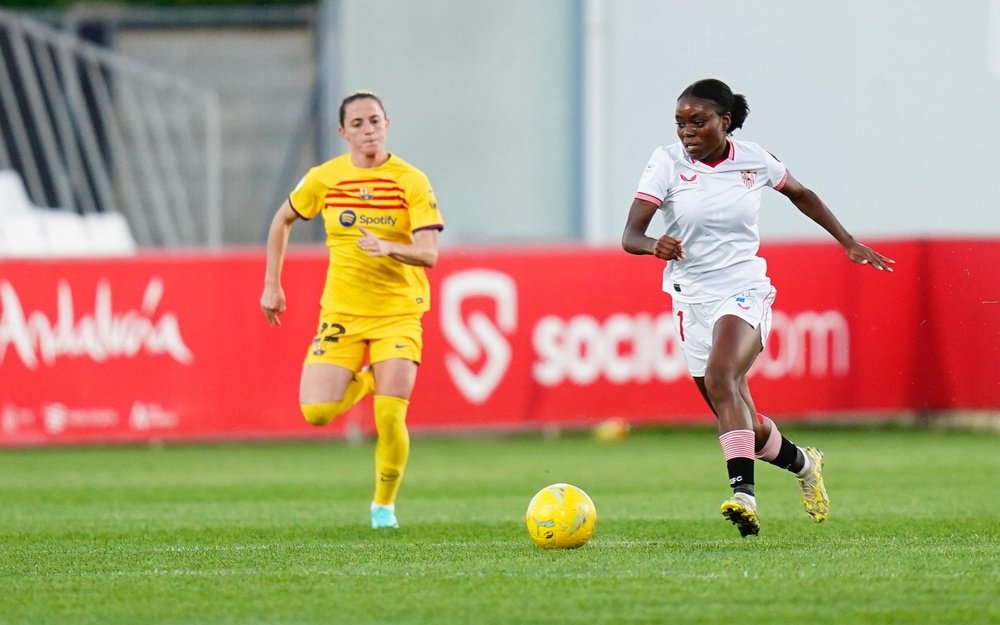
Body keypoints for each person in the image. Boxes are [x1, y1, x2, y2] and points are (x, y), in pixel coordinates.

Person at [621, 78, 894, 537]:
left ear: (724, 123)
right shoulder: (665, 163)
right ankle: (805, 464)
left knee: (721, 376)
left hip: (744, 289)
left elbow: (801, 194)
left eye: (698, 121)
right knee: (743, 420)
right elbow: (630, 236)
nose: (686, 131)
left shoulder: (754, 159)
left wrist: (847, 241)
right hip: (691, 299)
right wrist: (654, 246)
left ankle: (743, 495)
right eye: (680, 123)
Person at [261, 91, 444, 530]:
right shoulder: (325, 179)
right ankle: (365, 381)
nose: (368, 130)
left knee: (390, 414)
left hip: (398, 312)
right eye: (358, 124)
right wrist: (272, 284)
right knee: (317, 413)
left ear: (387, 124)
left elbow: (430, 254)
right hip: (342, 311)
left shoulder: (411, 181)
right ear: (343, 133)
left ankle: (384, 506)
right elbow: (281, 219)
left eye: (375, 121)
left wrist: (389, 248)